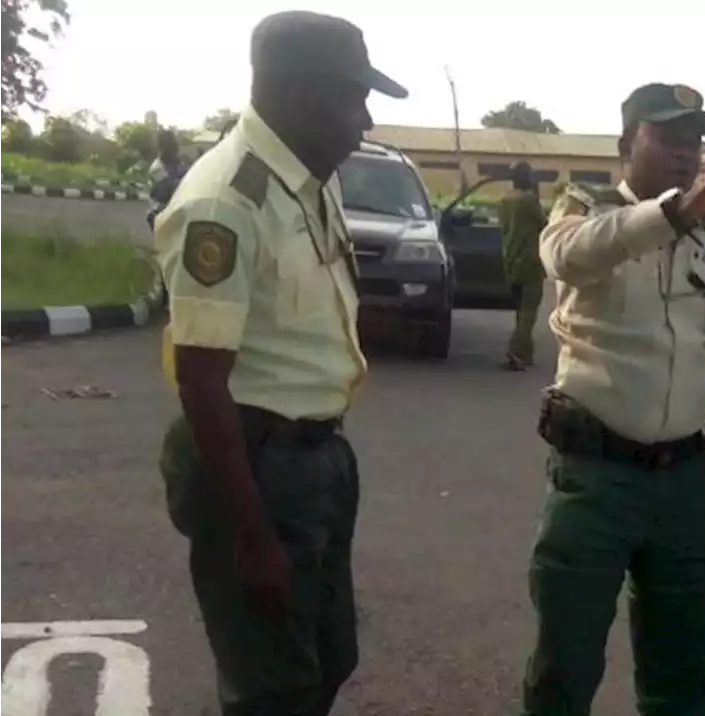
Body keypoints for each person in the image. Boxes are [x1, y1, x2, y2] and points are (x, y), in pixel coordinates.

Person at [153, 11, 407, 716]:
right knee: (272, 687)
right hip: (257, 466)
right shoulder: (226, 200)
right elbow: (201, 381)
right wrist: (251, 535)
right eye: (351, 100)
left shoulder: (307, 175)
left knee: (325, 662)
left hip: (316, 457)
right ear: (298, 95)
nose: (363, 123)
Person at [521, 83, 705, 716]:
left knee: (681, 675)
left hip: (685, 484)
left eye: (694, 144)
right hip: (596, 479)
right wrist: (671, 214)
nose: (685, 156)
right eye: (668, 139)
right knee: (564, 668)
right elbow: (564, 259)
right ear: (627, 146)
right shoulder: (586, 212)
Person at [498, 160, 548, 370]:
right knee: (529, 310)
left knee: (521, 309)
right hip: (530, 260)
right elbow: (544, 225)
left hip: (510, 259)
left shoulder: (504, 201)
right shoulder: (529, 201)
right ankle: (516, 349)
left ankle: (526, 352)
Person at [147, 128, 187, 231]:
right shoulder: (157, 168)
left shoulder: (177, 163)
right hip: (160, 215)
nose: (174, 151)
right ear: (162, 148)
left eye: (174, 147)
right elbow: (169, 191)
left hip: (175, 213)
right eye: (170, 147)